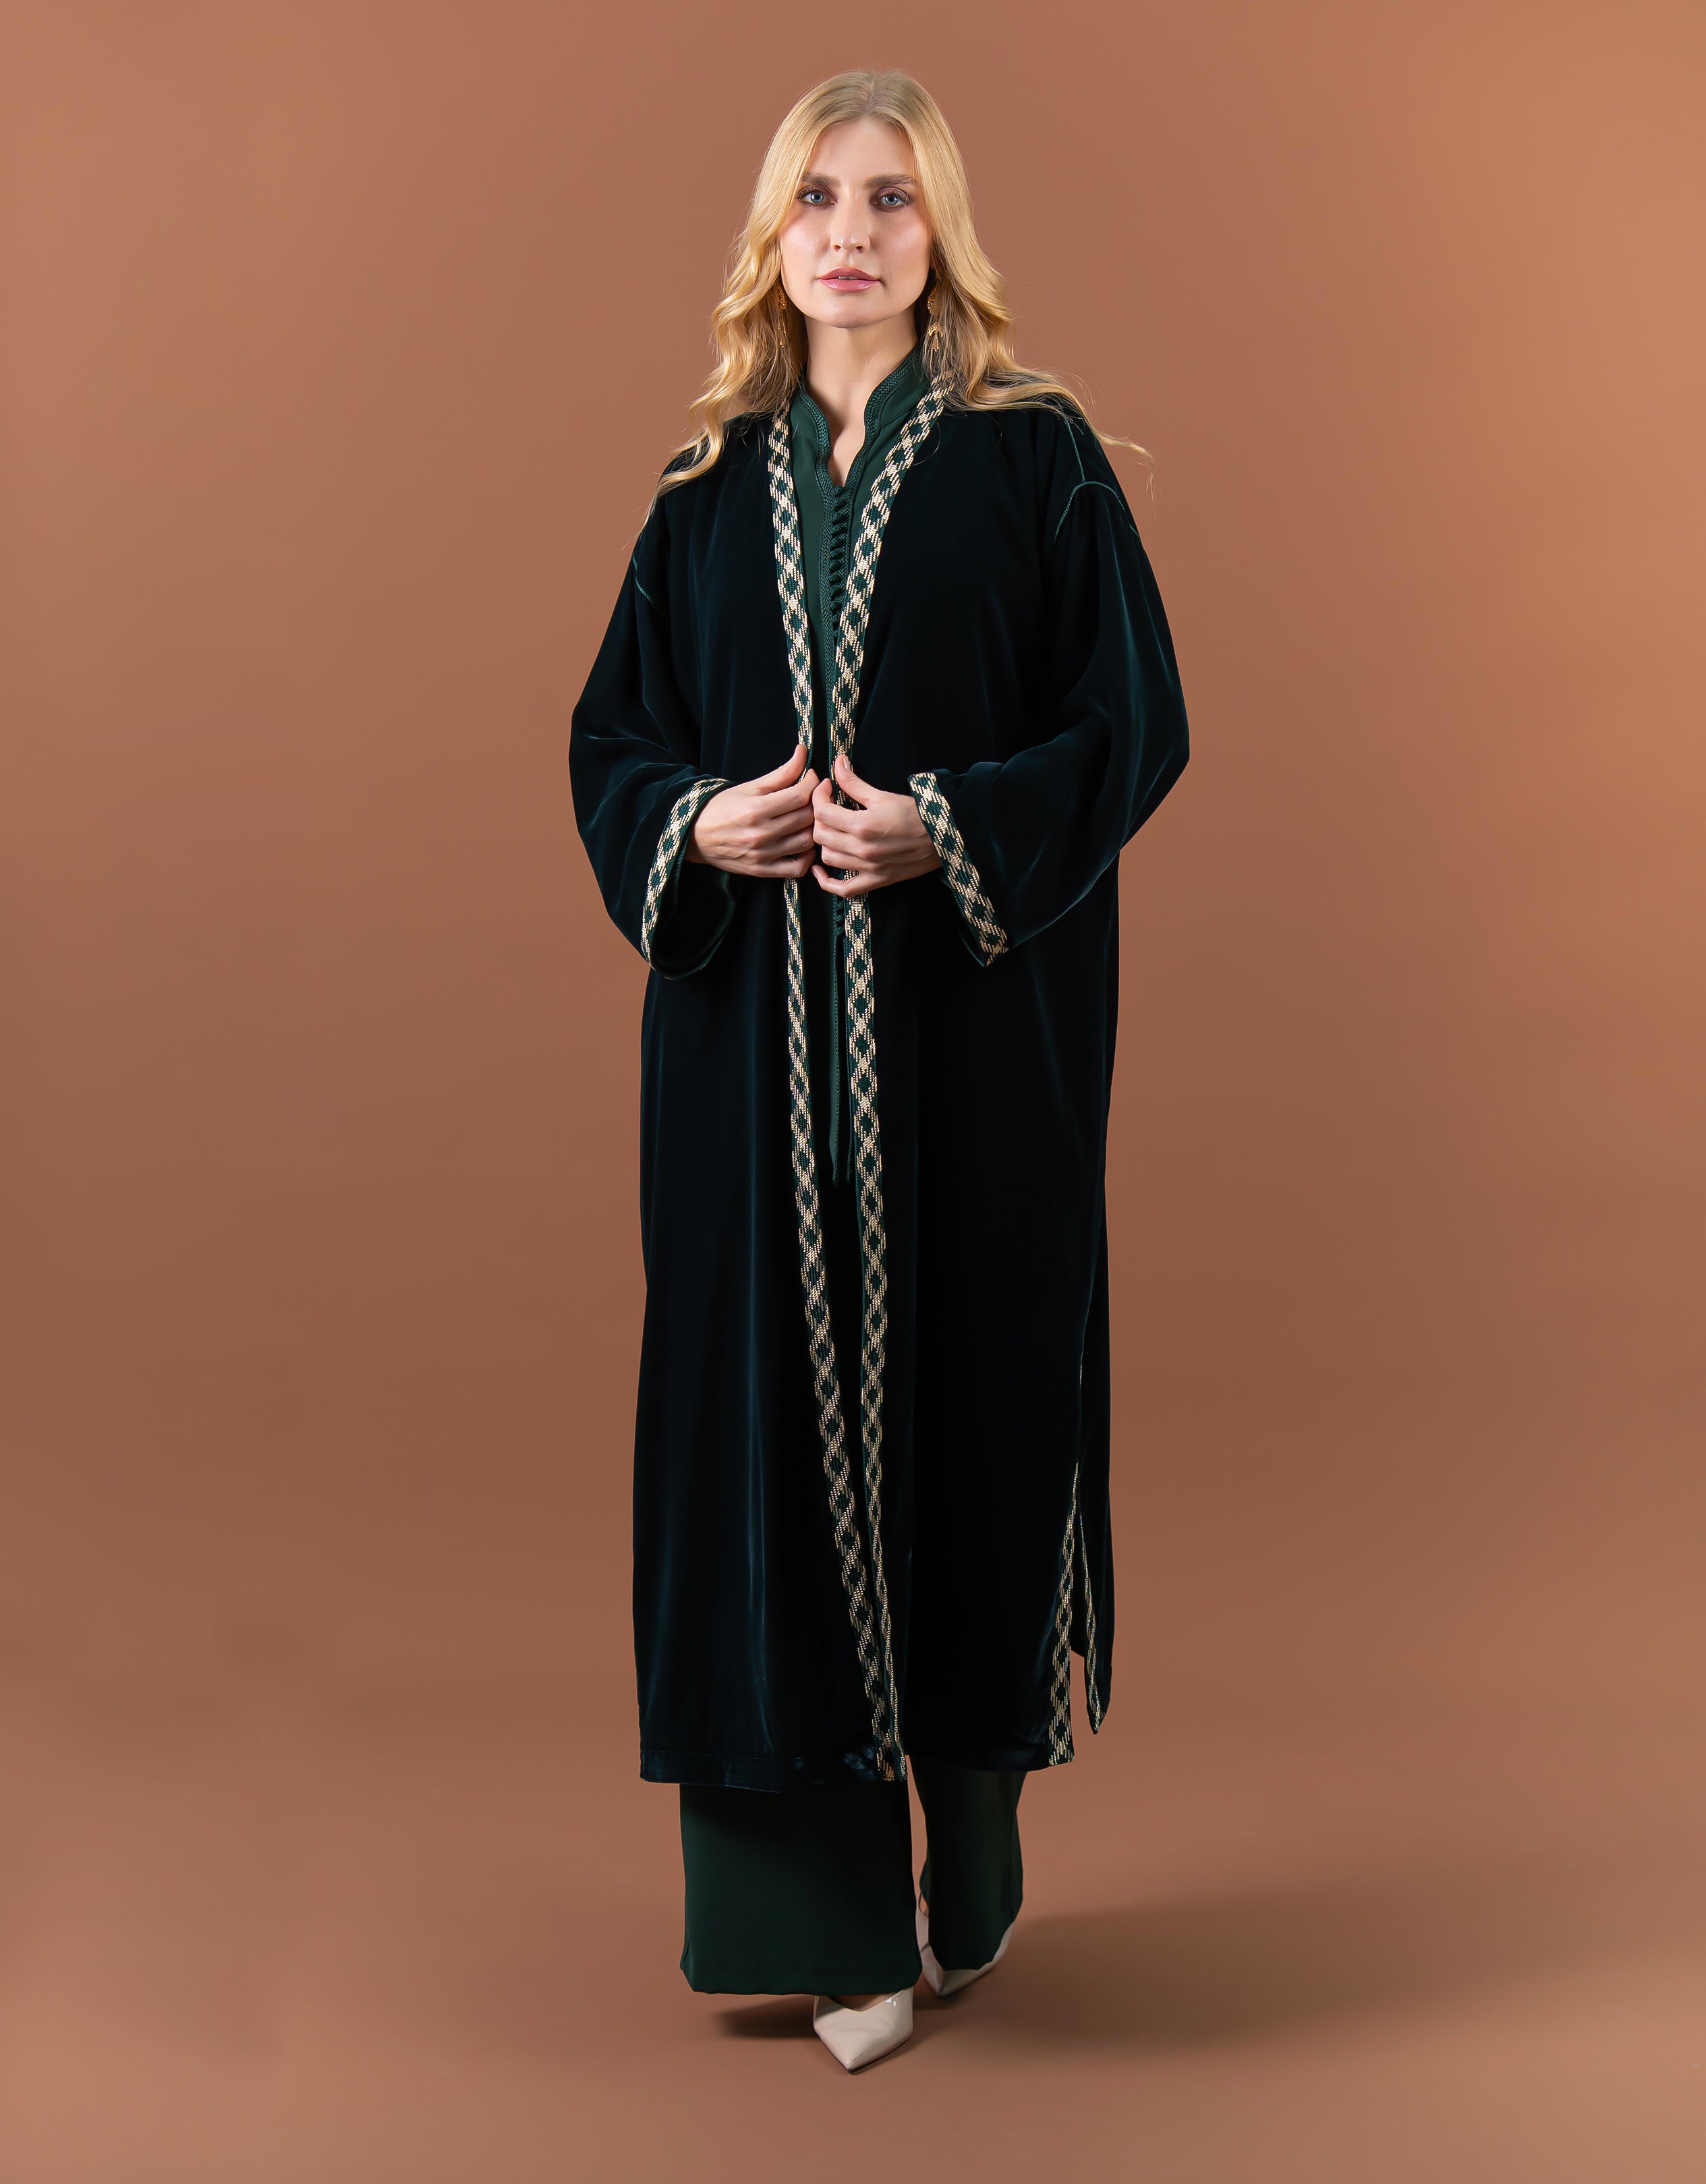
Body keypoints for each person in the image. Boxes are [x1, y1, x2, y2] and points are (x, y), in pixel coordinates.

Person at [568, 67, 1189, 2071]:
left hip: (970, 1058)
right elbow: (610, 744)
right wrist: (695, 827)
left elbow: (1132, 721)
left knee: (973, 1419)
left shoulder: (1037, 460)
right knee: (761, 1440)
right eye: (820, 197)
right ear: (775, 234)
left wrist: (953, 829)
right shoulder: (698, 490)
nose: (851, 232)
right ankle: (834, 1929)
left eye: (892, 199)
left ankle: (970, 1862)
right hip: (745, 1075)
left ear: (943, 236)